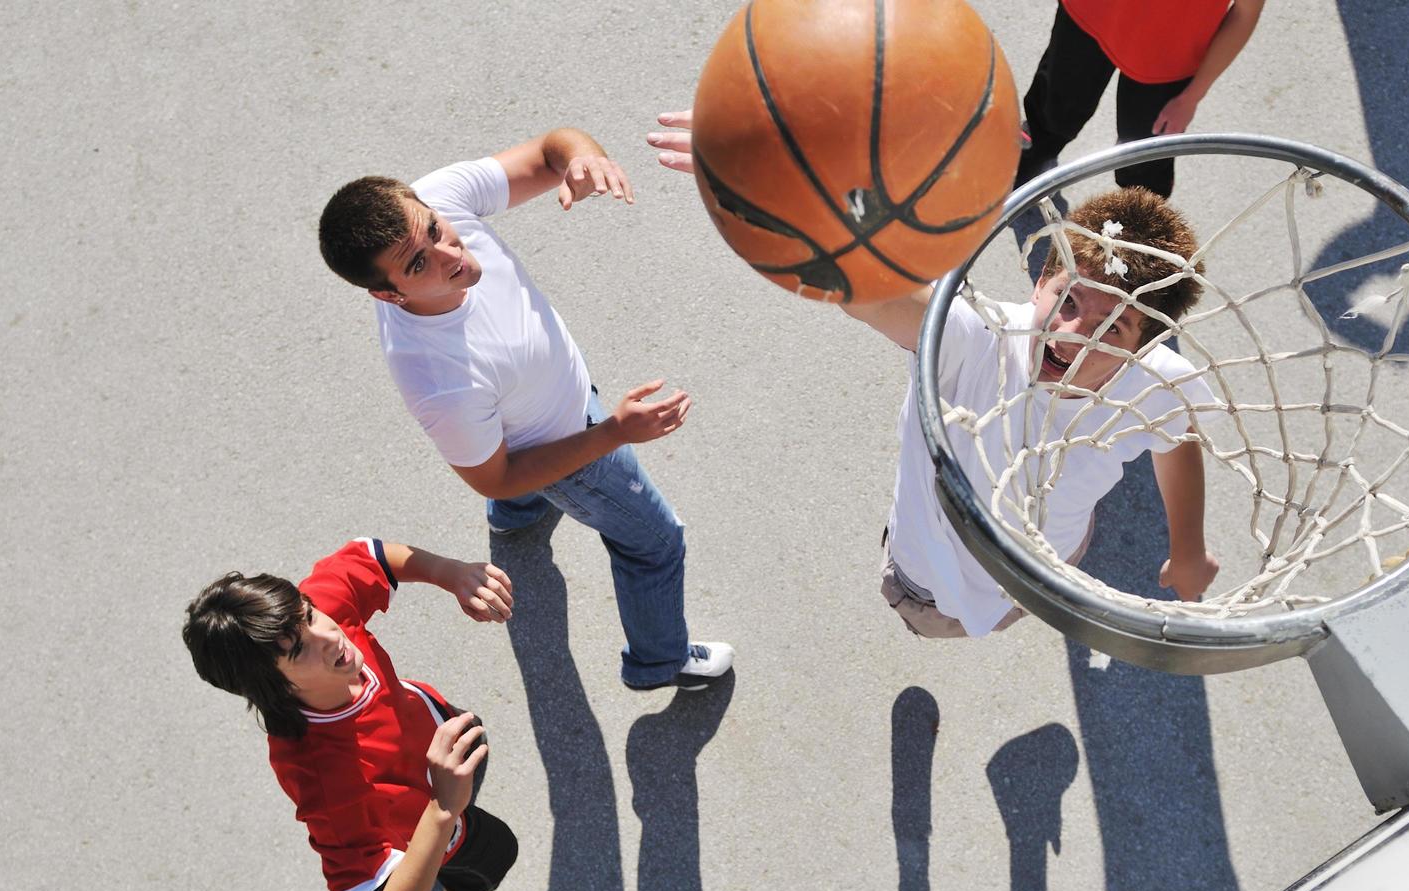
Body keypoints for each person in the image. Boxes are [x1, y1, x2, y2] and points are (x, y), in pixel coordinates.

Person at [646, 114, 1218, 636]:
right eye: (1068, 300)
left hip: (1049, 565)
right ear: (1039, 282)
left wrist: (1187, 545)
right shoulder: (974, 341)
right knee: (938, 618)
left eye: (1112, 329)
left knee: (1041, 562)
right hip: (932, 586)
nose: (1074, 333)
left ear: (1145, 348)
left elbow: (1178, 434)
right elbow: (859, 285)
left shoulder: (1159, 381)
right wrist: (782, 188)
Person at [318, 128, 732, 691]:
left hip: (537, 408)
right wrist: (614, 432)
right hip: (575, 448)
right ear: (388, 295)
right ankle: (659, 661)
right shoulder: (442, 385)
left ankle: (519, 522)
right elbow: (499, 476)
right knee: (656, 542)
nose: (451, 254)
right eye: (418, 265)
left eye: (436, 230)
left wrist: (584, 159)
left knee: (514, 483)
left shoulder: (437, 198)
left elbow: (547, 152)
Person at [181, 538, 540, 891]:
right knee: (496, 852)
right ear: (273, 687)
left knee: (473, 739)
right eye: (300, 650)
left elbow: (370, 554)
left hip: (440, 733)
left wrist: (450, 573)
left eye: (309, 615)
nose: (328, 636)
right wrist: (443, 809)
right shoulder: (326, 785)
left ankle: (417, 876)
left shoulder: (317, 617)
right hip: (435, 821)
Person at [1016, 0, 1266, 197]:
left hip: (1169, 55)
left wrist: (1192, 96)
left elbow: (1246, 11)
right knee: (1054, 107)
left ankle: (1133, 233)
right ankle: (1033, 156)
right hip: (1090, 14)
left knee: (1143, 163)